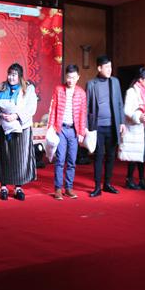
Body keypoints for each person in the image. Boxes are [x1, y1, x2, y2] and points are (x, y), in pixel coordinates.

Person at [0, 63, 37, 201]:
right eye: (9, 74)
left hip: (22, 128)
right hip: (5, 127)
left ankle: (18, 187)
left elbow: (31, 107)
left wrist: (16, 116)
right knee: (5, 156)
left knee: (20, 158)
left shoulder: (28, 89)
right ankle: (3, 186)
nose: (11, 77)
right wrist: (1, 114)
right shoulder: (2, 87)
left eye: (14, 75)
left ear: (20, 76)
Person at [86, 55, 126, 197]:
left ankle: (107, 184)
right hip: (97, 127)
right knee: (98, 156)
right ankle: (97, 187)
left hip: (112, 126)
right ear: (99, 68)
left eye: (110, 67)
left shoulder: (115, 82)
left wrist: (122, 122)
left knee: (111, 156)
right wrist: (86, 126)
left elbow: (120, 103)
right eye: (107, 67)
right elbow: (87, 106)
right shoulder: (91, 84)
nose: (110, 70)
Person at [46, 64, 87, 200]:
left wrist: (81, 132)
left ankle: (68, 188)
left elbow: (83, 113)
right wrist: (51, 126)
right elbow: (53, 108)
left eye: (73, 77)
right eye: (68, 77)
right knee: (60, 159)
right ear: (65, 76)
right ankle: (58, 188)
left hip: (74, 130)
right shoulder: (59, 89)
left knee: (72, 160)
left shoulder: (81, 93)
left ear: (78, 77)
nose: (70, 80)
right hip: (61, 129)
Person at [119, 68, 145, 191]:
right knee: (133, 155)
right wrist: (139, 117)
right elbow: (127, 110)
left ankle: (142, 179)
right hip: (134, 127)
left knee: (143, 154)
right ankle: (129, 179)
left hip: (143, 127)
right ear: (140, 79)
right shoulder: (131, 91)